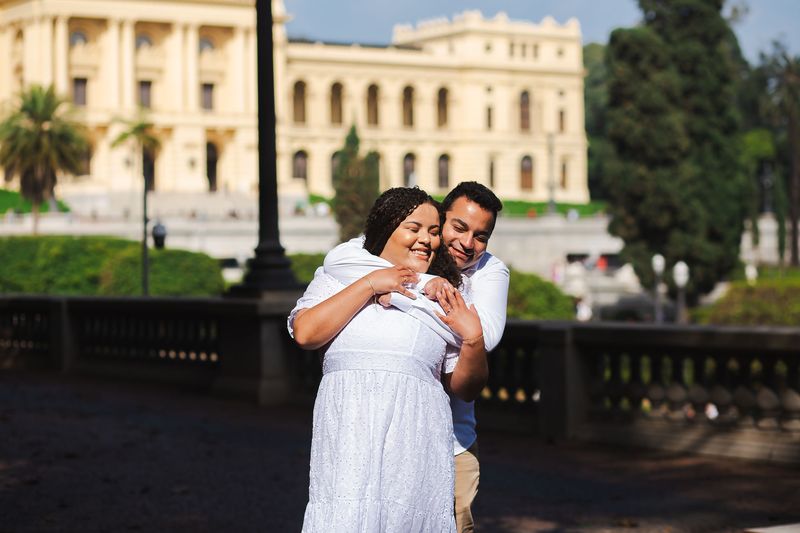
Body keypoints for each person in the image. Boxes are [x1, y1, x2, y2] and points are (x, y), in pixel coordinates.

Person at [288, 187, 489, 533]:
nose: (426, 239)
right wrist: (371, 284)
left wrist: (473, 340)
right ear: (385, 230)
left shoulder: (445, 293)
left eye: (434, 231)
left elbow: (465, 388)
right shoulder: (340, 276)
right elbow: (306, 333)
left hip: (414, 445)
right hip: (349, 440)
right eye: (414, 228)